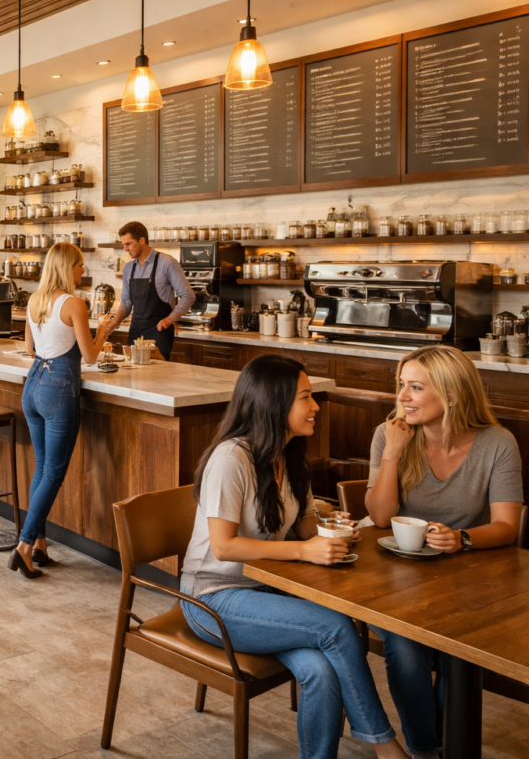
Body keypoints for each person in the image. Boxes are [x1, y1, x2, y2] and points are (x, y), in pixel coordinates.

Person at [180, 355, 407, 759]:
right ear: (273, 402)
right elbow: (224, 547)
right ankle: (388, 750)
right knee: (337, 628)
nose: (315, 406)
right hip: (212, 597)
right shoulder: (232, 458)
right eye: (305, 397)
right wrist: (305, 550)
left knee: (319, 671)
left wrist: (331, 530)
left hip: (268, 592)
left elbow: (300, 523)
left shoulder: (289, 454)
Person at [365, 345, 523, 759]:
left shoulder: (497, 443)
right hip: (397, 582)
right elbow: (381, 518)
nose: (402, 397)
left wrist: (462, 539)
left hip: (471, 580)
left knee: (462, 650)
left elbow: (507, 526)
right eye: (402, 385)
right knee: (405, 649)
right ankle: (425, 750)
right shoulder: (389, 434)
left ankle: (438, 743)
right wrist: (393, 452)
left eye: (415, 387)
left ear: (451, 395)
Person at [10, 243, 111, 578]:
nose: (83, 270)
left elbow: (29, 347)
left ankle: (39, 543)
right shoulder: (74, 304)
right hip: (59, 390)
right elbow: (91, 356)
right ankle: (24, 547)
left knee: (42, 469)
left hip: (33, 384)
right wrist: (103, 332)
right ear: (69, 268)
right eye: (80, 265)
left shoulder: (34, 300)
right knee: (53, 473)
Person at [104, 222, 193, 360]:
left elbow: (188, 296)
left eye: (129, 244)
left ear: (142, 240)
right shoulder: (128, 268)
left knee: (157, 377)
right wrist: (114, 323)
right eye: (124, 244)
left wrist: (170, 319)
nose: (125, 249)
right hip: (136, 331)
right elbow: (126, 302)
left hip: (159, 331)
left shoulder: (167, 263)